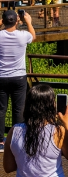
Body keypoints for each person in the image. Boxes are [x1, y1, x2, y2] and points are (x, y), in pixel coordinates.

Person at [3, 83, 68, 176]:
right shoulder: (58, 131)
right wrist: (67, 124)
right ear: (51, 106)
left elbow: (8, 167)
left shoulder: (14, 131)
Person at [0, 10, 35, 151]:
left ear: (3, 21)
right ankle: (16, 138)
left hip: (1, 77)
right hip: (19, 77)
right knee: (18, 109)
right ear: (16, 21)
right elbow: (33, 37)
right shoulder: (23, 35)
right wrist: (28, 22)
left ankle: (0, 141)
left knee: (1, 109)